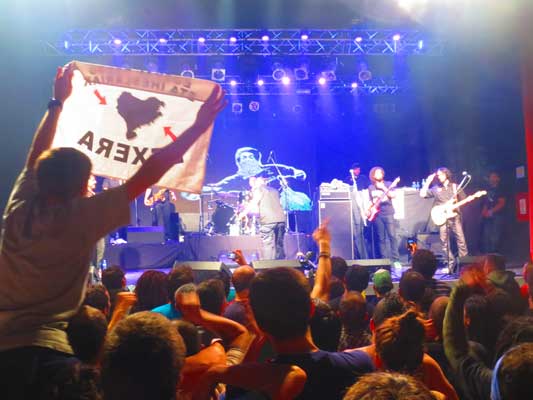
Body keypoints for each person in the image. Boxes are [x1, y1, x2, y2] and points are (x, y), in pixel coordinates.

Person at [0, 62, 226, 398]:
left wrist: (56, 103)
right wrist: (198, 127)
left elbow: (36, 154)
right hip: (50, 353)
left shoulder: (18, 209)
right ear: (80, 188)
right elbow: (152, 169)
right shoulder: (82, 216)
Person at [420, 167, 468, 273]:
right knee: (444, 242)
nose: (439, 176)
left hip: (455, 217)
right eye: (438, 175)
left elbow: (464, 199)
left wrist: (456, 204)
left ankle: (463, 264)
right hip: (442, 217)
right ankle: (450, 265)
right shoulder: (436, 188)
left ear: (446, 175)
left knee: (461, 240)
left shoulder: (455, 187)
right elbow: (422, 194)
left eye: (441, 174)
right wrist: (428, 182)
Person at [209, 146, 307, 193]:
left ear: (257, 159)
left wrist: (299, 173)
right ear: (238, 162)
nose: (248, 160)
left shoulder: (271, 168)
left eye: (251, 157)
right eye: (244, 157)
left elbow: (294, 171)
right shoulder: (236, 179)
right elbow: (217, 187)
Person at [240, 176, 286, 260]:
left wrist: (243, 213)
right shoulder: (275, 191)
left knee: (268, 244)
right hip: (281, 219)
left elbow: (254, 202)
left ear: (258, 183)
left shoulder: (259, 189)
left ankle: (268, 267)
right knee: (279, 244)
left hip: (268, 220)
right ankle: (281, 267)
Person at [368, 166, 399, 262]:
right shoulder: (371, 187)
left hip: (388, 213)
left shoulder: (388, 184)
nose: (379, 174)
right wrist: (369, 210)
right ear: (373, 175)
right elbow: (371, 201)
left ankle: (396, 260)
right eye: (377, 173)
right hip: (377, 215)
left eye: (380, 172)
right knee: (381, 239)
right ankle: (384, 261)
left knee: (392, 237)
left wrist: (383, 188)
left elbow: (393, 195)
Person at [481, 171, 506, 253]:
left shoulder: (500, 189)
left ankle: (495, 257)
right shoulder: (487, 190)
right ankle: (488, 256)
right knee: (486, 236)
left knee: (495, 237)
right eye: (491, 176)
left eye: (494, 176)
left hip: (497, 216)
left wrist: (491, 211)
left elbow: (502, 203)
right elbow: (486, 202)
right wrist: (484, 212)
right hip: (488, 217)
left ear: (498, 178)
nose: (491, 178)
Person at [347, 163, 369, 259]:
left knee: (362, 230)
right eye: (356, 169)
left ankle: (365, 255)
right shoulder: (348, 179)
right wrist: (352, 180)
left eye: (359, 169)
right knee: (356, 230)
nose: (357, 170)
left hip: (363, 205)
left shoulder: (363, 178)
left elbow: (367, 189)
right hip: (354, 207)